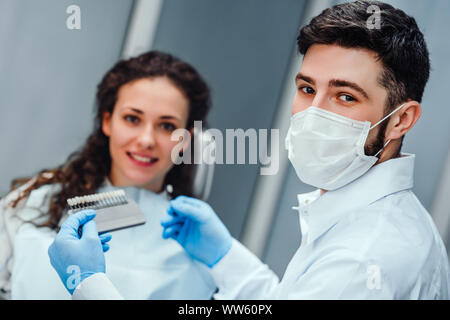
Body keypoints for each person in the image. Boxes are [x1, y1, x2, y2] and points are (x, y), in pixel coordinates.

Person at [49, 0, 450, 299]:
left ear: (400, 119)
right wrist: (225, 256)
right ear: (106, 120)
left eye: (344, 97)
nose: (312, 114)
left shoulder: (365, 259)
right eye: (307, 88)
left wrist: (88, 284)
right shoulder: (370, 226)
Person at [0, 51, 217, 299]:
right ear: (107, 121)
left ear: (186, 139)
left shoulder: (200, 243)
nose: (146, 140)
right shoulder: (35, 204)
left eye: (167, 126)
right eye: (132, 118)